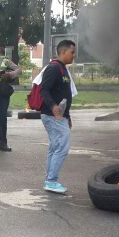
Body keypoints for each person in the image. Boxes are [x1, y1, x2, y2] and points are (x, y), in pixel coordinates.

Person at [39, 39, 77, 194]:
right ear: (62, 52)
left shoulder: (63, 69)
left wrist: (68, 116)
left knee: (55, 147)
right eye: (72, 52)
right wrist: (53, 107)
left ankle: (50, 179)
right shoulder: (54, 68)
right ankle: (51, 181)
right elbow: (44, 90)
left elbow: (64, 95)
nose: (74, 56)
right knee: (62, 146)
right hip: (52, 115)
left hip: (60, 116)